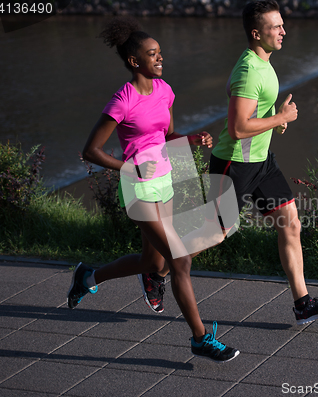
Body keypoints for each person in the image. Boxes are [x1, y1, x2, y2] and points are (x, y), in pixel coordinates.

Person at [144, 0, 318, 326]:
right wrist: (280, 116)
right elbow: (237, 129)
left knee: (290, 222)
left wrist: (273, 120)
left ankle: (302, 303)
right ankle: (158, 270)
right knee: (214, 233)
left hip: (261, 162)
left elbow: (252, 117)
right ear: (256, 33)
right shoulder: (250, 71)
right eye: (275, 26)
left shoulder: (264, 62)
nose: (283, 30)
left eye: (282, 24)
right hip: (235, 164)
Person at [67, 18, 239, 363]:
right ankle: (200, 338)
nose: (160, 59)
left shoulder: (165, 90)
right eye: (153, 54)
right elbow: (91, 151)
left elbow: (166, 136)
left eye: (160, 53)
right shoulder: (123, 99)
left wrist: (191, 139)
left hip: (166, 180)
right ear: (134, 62)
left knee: (151, 260)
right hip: (138, 189)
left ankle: (89, 275)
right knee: (180, 259)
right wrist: (129, 167)